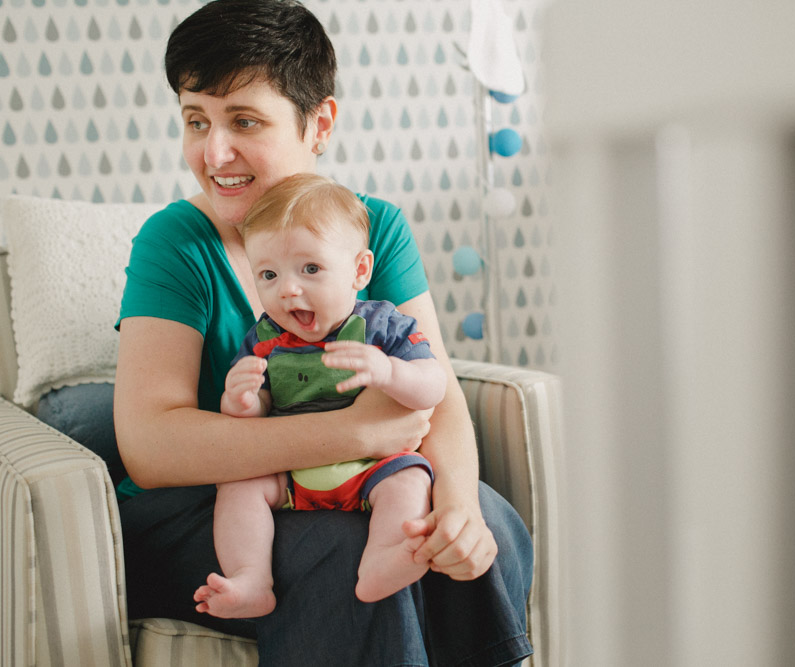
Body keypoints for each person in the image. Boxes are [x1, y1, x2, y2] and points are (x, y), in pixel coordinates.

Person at [113, 0, 533, 664]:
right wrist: (354, 430)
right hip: (209, 512)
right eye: (196, 120)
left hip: (350, 483)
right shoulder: (176, 242)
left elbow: (437, 390)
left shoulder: (376, 228)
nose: (213, 151)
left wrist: (457, 503)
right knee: (345, 551)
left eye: (244, 120)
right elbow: (149, 445)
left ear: (320, 122)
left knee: (488, 526)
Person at [195, 174, 447, 616]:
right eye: (269, 275)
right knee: (238, 484)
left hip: (374, 467)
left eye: (310, 269)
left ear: (359, 271)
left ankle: (382, 557)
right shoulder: (265, 339)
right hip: (293, 473)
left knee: (412, 479)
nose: (288, 289)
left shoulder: (382, 326)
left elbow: (434, 384)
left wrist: (390, 371)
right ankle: (251, 577)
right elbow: (256, 418)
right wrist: (241, 401)